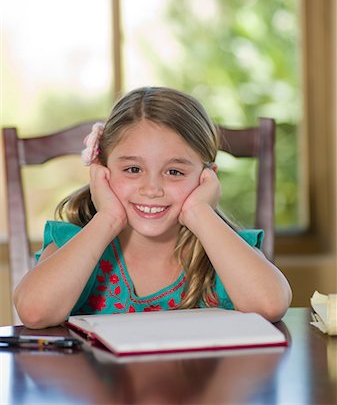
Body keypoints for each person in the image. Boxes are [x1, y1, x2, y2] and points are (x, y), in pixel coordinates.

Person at [14, 86, 292, 329]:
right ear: (102, 173)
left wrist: (199, 212)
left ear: (207, 178)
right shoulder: (76, 245)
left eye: (174, 172)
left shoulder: (224, 251)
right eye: (133, 169)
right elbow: (34, 312)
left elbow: (269, 304)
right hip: (102, 389)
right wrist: (108, 217)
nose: (152, 189)